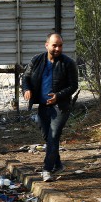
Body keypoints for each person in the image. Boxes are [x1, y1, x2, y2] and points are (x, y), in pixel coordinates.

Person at [22, 32, 78, 182]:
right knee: (48, 137)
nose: (58, 49)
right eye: (54, 45)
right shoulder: (37, 60)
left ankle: (47, 170)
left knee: (53, 136)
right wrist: (26, 89)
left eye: (60, 45)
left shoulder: (68, 63)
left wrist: (58, 96)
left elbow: (74, 85)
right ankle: (58, 164)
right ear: (47, 45)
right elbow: (25, 77)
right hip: (42, 106)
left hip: (61, 107)